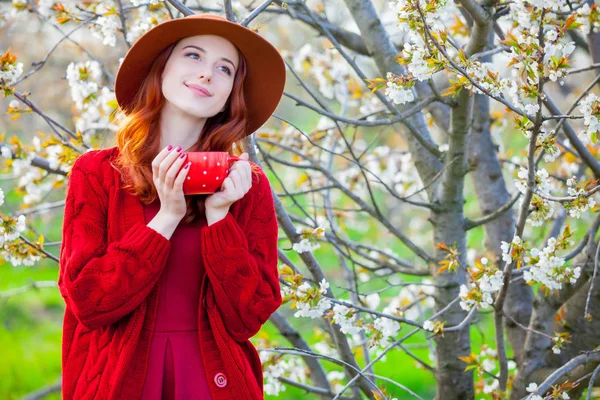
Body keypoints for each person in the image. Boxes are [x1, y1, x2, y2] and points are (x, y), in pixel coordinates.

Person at [57, 13, 286, 399]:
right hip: (118, 380)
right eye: (193, 55)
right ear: (161, 68)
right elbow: (87, 301)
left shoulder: (245, 184)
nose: (207, 74)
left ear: (233, 91)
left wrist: (219, 219)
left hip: (212, 382)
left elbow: (248, 317)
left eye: (224, 68)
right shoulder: (97, 173)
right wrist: (166, 218)